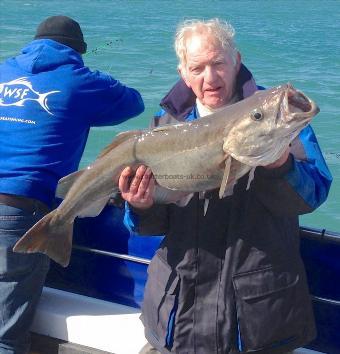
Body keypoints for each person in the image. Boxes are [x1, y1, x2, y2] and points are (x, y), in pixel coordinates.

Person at [118, 19, 332, 354]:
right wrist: (141, 205)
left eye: (218, 63)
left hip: (255, 324)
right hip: (176, 318)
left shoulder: (278, 116)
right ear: (183, 73)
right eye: (197, 68)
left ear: (237, 60)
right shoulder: (162, 128)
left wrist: (279, 165)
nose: (210, 78)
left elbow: (312, 195)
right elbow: (149, 227)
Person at [0, 15, 144, 353]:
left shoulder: (4, 69)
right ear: (76, 52)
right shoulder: (80, 80)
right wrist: (91, 75)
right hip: (20, 212)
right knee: (6, 337)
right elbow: (134, 102)